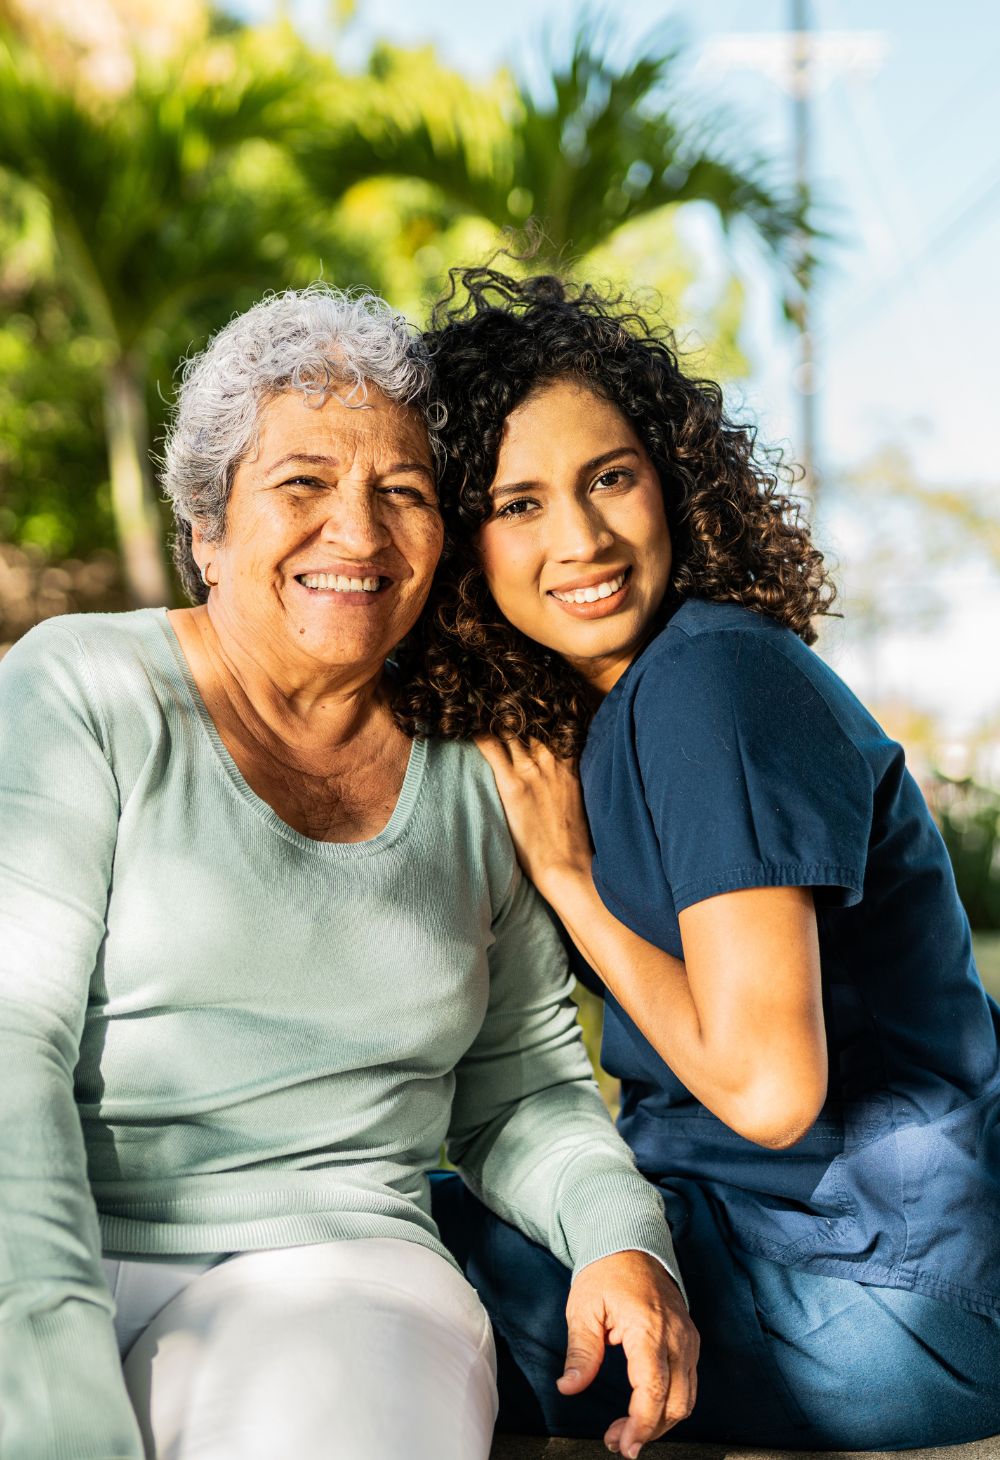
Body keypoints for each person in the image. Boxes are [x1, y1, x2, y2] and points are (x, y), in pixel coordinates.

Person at [0, 284, 699, 1460]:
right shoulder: (83, 689)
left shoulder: (482, 761)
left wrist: (622, 1234)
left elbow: (520, 1089)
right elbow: (11, 1045)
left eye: (405, 493)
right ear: (207, 528)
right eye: (303, 483)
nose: (359, 533)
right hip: (38, 1241)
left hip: (339, 1272)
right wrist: (52, 1386)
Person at [397, 266, 1000, 1451]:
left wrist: (570, 878)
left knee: (356, 1257)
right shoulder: (641, 696)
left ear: (674, 482)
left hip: (877, 1288)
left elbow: (771, 1090)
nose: (581, 537)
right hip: (848, 1252)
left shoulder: (706, 687)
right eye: (517, 503)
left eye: (609, 477)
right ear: (460, 540)